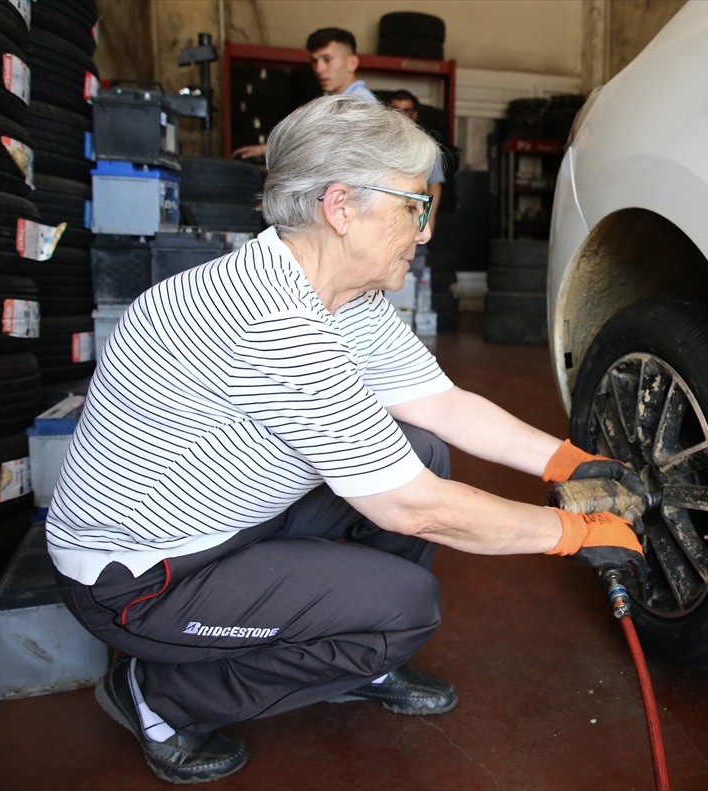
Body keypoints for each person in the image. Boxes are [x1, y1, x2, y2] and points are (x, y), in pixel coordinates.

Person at [46, 94, 644, 786]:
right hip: (140, 578)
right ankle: (161, 697)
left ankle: (354, 656)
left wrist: (572, 462)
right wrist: (570, 532)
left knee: (421, 446)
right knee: (405, 608)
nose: (423, 233)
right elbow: (412, 508)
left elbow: (442, 404)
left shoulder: (334, 292)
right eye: (415, 208)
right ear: (341, 207)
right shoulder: (271, 322)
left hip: (222, 522)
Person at [231, 27, 379, 160]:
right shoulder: (331, 102)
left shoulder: (361, 106)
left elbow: (334, 154)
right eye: (315, 61)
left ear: (351, 63)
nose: (319, 69)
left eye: (327, 60)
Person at [387, 89, 445, 280]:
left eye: (407, 112)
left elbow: (434, 186)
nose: (402, 117)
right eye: (396, 111)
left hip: (413, 220)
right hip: (384, 222)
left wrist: (427, 220)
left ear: (415, 115)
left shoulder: (427, 147)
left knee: (411, 279)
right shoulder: (378, 145)